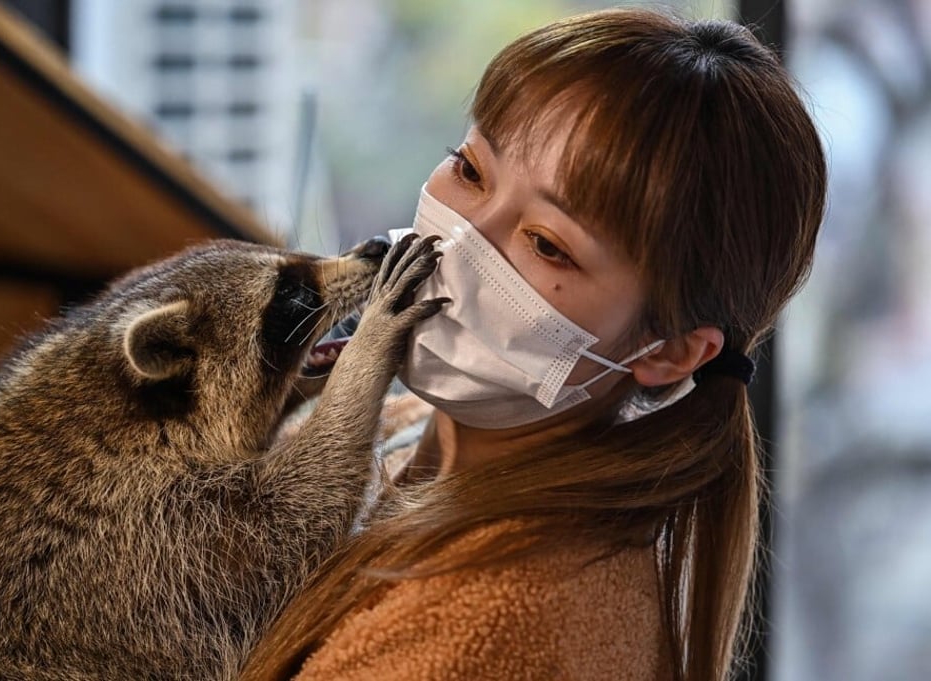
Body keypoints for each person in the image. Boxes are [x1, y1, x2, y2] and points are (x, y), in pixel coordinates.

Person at [246, 8, 826, 681]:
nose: (452, 242)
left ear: (667, 351)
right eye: (470, 170)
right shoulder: (402, 434)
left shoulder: (494, 632)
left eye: (549, 243)